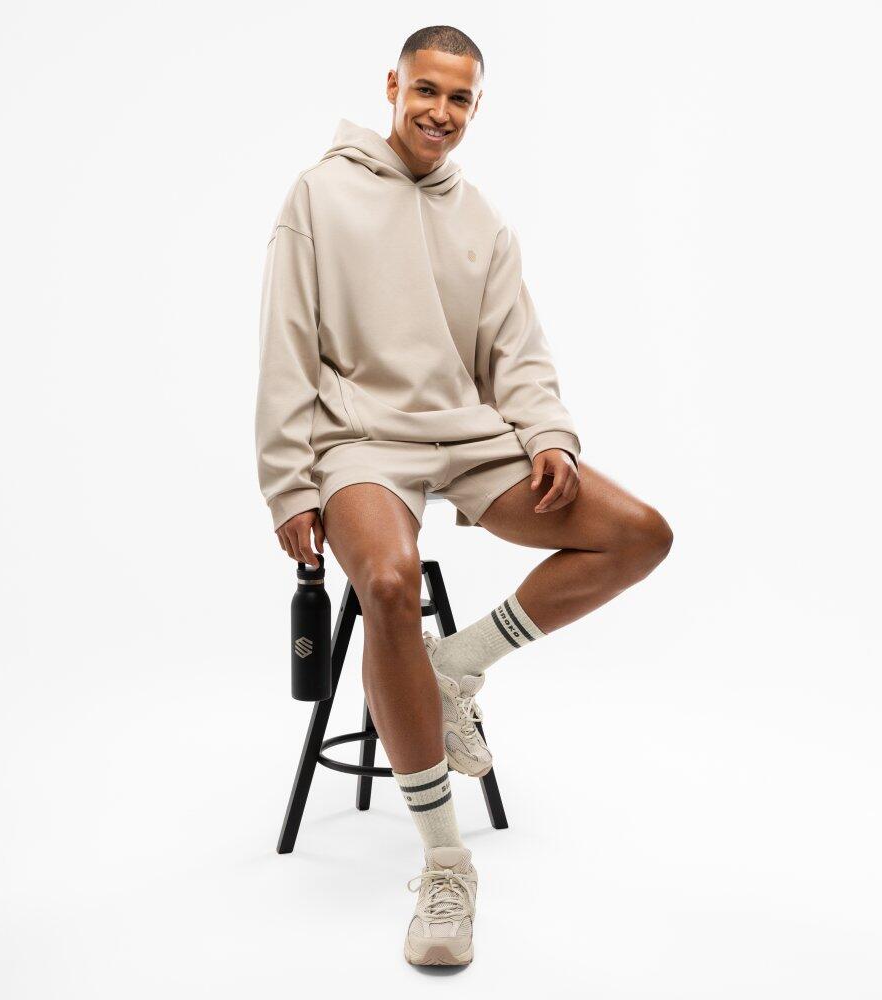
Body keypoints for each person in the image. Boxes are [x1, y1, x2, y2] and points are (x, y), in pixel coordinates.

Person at [255, 25, 673, 967]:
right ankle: (446, 867)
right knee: (388, 584)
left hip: (469, 438)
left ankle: (454, 667)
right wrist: (288, 482)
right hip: (360, 441)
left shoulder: (480, 218)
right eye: (427, 90)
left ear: (476, 106)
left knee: (640, 535)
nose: (441, 112)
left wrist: (549, 435)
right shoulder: (320, 193)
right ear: (393, 85)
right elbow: (285, 345)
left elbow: (516, 352)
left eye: (460, 98)